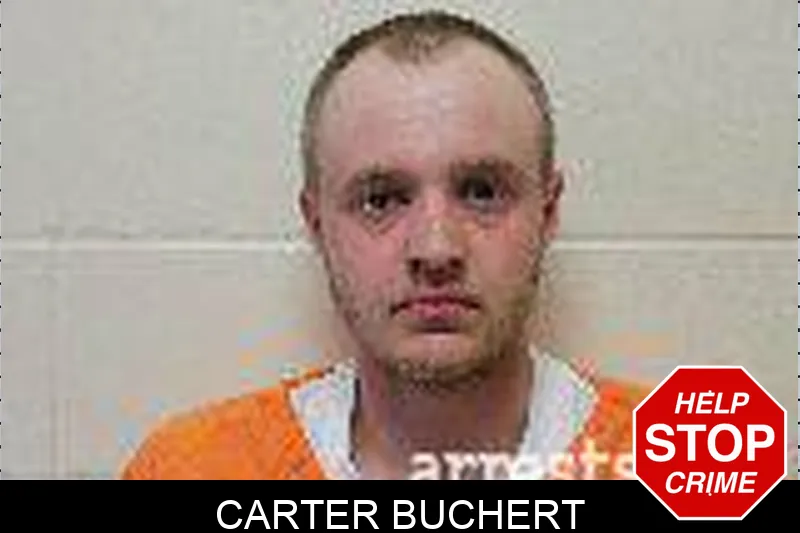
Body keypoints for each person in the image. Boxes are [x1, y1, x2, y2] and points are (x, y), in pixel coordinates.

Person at [121, 10, 648, 480]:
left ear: (547, 212)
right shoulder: (191, 469)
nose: (436, 249)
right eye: (381, 199)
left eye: (482, 192)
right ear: (317, 225)